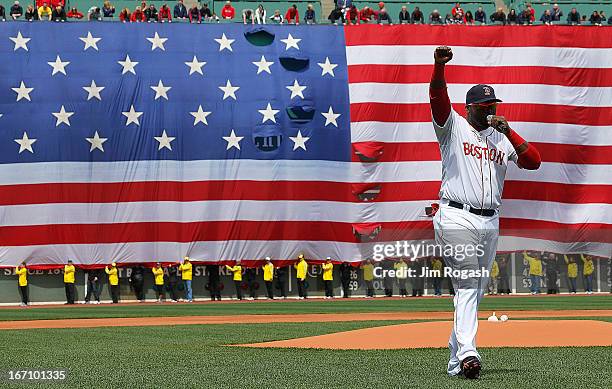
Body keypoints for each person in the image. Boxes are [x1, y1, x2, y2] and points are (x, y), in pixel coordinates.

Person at [430, 46, 541, 379]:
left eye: (493, 104)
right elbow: (437, 98)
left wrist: (508, 131)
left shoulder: (501, 138)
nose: (491, 109)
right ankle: (468, 354)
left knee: (475, 290)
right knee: (466, 283)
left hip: (490, 219)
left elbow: (534, 161)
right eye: (484, 106)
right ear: (470, 108)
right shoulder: (453, 128)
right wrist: (438, 67)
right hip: (455, 215)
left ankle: (454, 360)